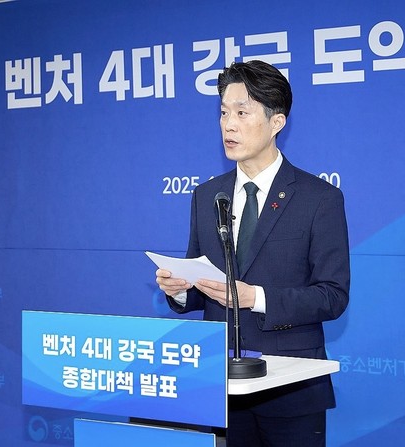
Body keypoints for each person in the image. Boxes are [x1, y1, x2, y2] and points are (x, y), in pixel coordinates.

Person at [156, 60, 350, 447]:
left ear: (276, 122)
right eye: (224, 112)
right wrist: (179, 290)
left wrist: (255, 297)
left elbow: (332, 296)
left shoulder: (319, 199)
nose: (229, 125)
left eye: (242, 113)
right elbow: (202, 285)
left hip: (291, 386)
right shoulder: (207, 196)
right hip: (222, 383)